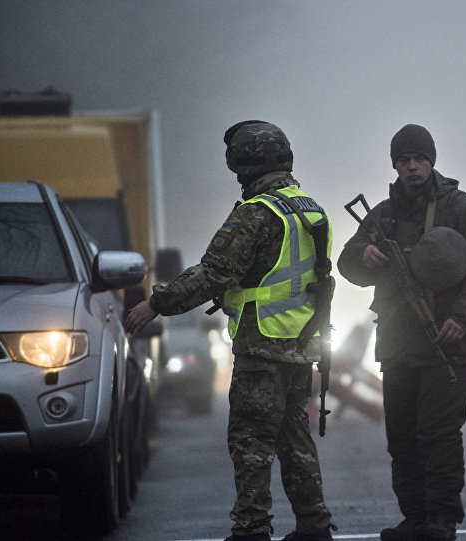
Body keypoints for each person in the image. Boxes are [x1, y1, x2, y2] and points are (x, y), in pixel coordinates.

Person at [125, 120, 336, 541]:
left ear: (243, 162)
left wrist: (156, 303)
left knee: (251, 442)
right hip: (300, 346)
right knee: (295, 438)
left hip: (261, 347)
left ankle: (252, 529)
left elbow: (214, 273)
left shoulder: (257, 213)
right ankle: (314, 526)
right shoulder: (311, 208)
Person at [337, 124, 466, 541]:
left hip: (450, 342)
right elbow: (346, 263)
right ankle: (414, 518)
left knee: (438, 435)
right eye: (404, 160)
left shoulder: (460, 209)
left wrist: (462, 316)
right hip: (398, 343)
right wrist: (365, 255)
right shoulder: (383, 214)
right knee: (402, 437)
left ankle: (441, 520)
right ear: (395, 164)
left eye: (419, 159)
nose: (412, 167)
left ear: (431, 161)